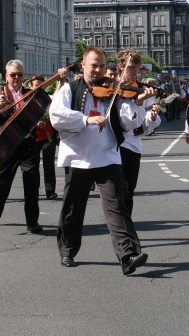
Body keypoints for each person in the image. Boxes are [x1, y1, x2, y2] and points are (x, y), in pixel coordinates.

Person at [49, 47, 149, 274]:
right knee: (73, 208)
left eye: (103, 66)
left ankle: (128, 255)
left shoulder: (114, 90)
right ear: (83, 65)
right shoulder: (70, 88)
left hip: (108, 156)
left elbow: (127, 123)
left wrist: (138, 103)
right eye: (94, 65)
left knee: (118, 206)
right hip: (79, 158)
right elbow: (56, 116)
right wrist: (86, 119)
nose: (98, 70)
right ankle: (68, 250)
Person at [0, 60, 43, 233]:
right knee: (3, 180)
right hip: (7, 143)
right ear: (6, 75)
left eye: (19, 74)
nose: (16, 78)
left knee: (32, 182)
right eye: (13, 75)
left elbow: (39, 111)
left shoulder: (29, 93)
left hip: (27, 142)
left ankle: (32, 221)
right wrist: (0, 105)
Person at [116, 49, 160, 217]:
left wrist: (152, 116)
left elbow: (146, 128)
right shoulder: (110, 86)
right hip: (112, 144)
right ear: (121, 67)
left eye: (136, 68)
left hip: (132, 145)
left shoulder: (143, 90)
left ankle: (126, 224)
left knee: (128, 190)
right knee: (114, 192)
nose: (134, 72)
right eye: (131, 68)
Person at [29, 75, 59, 200]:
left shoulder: (48, 98)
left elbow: (56, 102)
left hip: (48, 135)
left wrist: (59, 84)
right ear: (31, 86)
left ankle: (50, 190)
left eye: (42, 85)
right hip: (34, 137)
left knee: (49, 164)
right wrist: (35, 123)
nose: (39, 87)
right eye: (37, 85)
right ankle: (34, 189)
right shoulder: (27, 99)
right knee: (33, 165)